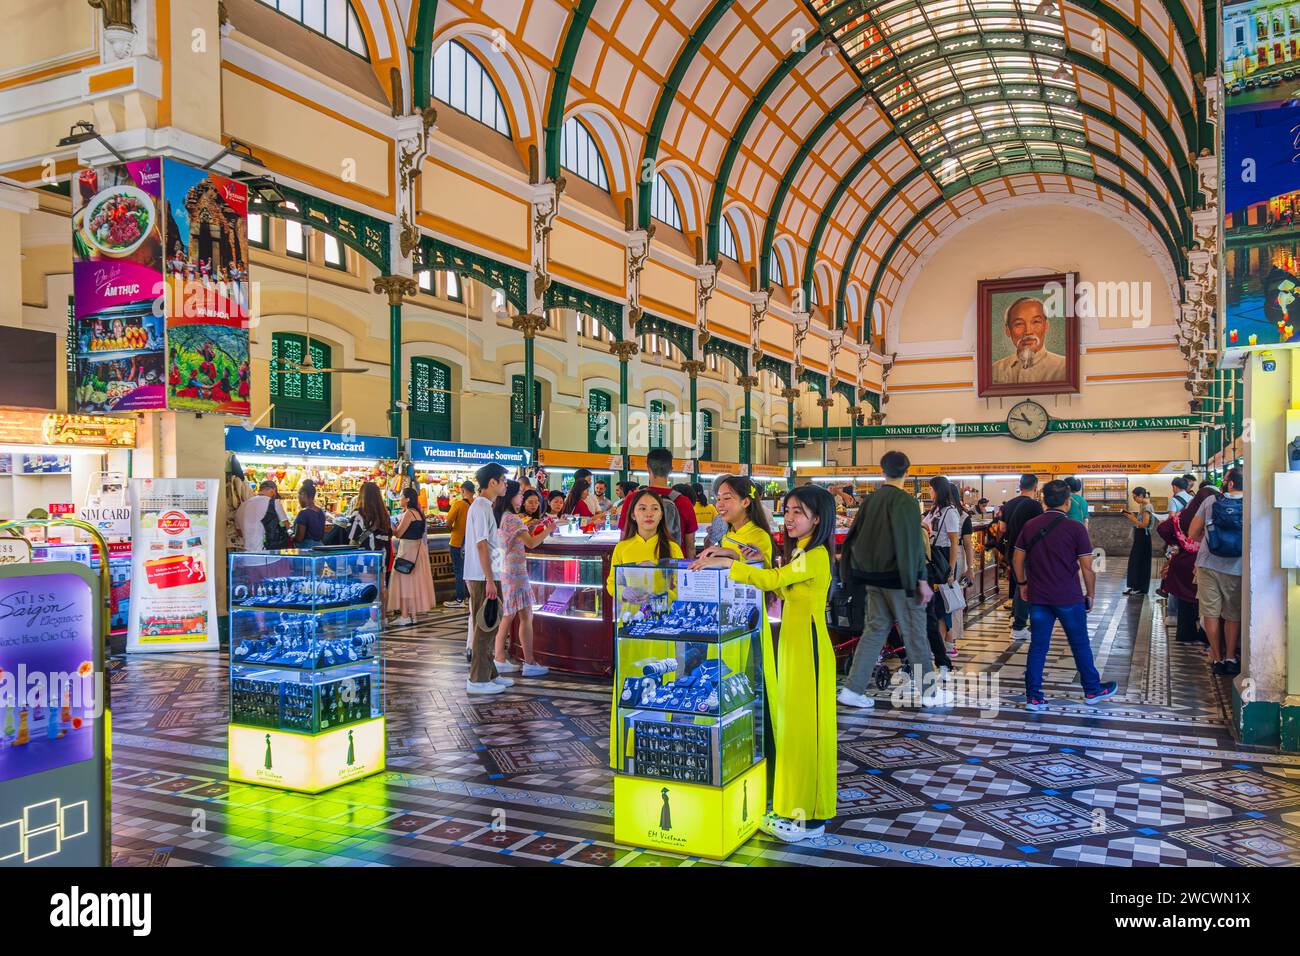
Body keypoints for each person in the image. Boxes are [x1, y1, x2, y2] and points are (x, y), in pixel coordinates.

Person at [691, 485, 838, 842]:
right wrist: (760, 560)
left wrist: (731, 563)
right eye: (787, 510)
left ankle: (811, 821)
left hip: (809, 648)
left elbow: (773, 582)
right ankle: (792, 808)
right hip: (793, 643)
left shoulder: (815, 554)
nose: (789, 518)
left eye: (798, 512)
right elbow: (785, 586)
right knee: (791, 730)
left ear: (817, 519)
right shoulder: (802, 552)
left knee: (806, 734)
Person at [838, 451, 946, 709]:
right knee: (916, 635)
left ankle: (853, 689)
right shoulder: (905, 502)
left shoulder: (871, 499)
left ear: (882, 470)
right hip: (901, 580)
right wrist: (920, 580)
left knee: (874, 632)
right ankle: (930, 693)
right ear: (907, 471)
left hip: (873, 580)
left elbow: (853, 535)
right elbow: (910, 544)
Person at [1011, 479, 1118, 710]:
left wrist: (1022, 584)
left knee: (1038, 646)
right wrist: (1091, 594)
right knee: (1080, 644)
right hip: (1069, 597)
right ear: (1068, 502)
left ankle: (1034, 697)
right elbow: (1087, 567)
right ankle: (1092, 690)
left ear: (1043, 500)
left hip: (1039, 597)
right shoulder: (1076, 528)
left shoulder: (1030, 526)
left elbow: (1017, 559)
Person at [605, 489, 685, 769]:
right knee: (630, 684)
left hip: (663, 628)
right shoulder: (623, 547)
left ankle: (657, 749)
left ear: (662, 515)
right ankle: (625, 751)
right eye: (642, 509)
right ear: (633, 514)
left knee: (662, 683)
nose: (649, 514)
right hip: (631, 627)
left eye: (654, 508)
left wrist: (657, 583)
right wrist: (625, 593)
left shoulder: (672, 549)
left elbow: (679, 591)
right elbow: (612, 584)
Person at [492, 480, 556, 678]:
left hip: (506, 570)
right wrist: (549, 529)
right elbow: (532, 543)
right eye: (520, 494)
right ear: (511, 496)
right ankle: (529, 662)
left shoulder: (502, 516)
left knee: (509, 616)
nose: (522, 498)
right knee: (526, 616)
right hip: (516, 573)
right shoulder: (512, 519)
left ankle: (500, 658)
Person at [1188, 468, 1245, 675]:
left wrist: (1208, 540)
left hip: (1208, 564)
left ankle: (1217, 658)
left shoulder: (1211, 502)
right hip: (1237, 567)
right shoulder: (1251, 504)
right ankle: (1231, 656)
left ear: (1230, 484)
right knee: (1233, 614)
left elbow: (1192, 532)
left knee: (1210, 613)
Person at [464, 462, 508, 695]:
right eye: (503, 481)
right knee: (485, 626)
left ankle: (489, 673)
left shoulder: (484, 506)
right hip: (483, 576)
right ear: (492, 482)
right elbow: (482, 545)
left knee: (491, 623)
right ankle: (477, 680)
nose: (505, 485)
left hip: (488, 574)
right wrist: (490, 579)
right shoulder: (481, 507)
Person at [1158, 483, 1219, 644]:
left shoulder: (1182, 516)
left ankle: (1185, 634)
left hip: (1183, 562)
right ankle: (1207, 638)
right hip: (1206, 562)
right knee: (1208, 604)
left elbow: (1163, 529)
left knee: (1185, 600)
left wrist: (1175, 543)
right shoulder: (1216, 515)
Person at [616, 447, 698, 558]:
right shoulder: (684, 502)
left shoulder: (633, 499)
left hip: (636, 565)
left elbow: (624, 537)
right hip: (674, 566)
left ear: (648, 469)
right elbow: (690, 546)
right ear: (671, 470)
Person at [694, 475, 773, 567]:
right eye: (718, 499)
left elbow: (763, 577)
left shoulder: (759, 536)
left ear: (745, 502)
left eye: (727, 498)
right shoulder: (728, 535)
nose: (719, 505)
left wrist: (734, 555)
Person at [1001, 474, 1045, 641]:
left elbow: (1002, 528)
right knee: (1025, 588)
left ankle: (1016, 619)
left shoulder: (1009, 504)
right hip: (1028, 552)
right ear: (1035, 487)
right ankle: (1019, 625)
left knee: (1019, 586)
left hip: (1012, 550)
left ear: (1020, 485)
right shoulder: (1035, 506)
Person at [990, 296, 1068, 384]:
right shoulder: (995, 370)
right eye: (1019, 324)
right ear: (1008, 330)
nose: (1028, 332)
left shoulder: (1064, 367)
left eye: (1035, 322)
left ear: (1046, 326)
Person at [388, 487, 435, 625]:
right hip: (417, 552)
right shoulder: (419, 513)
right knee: (413, 584)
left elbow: (398, 533)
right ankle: (413, 615)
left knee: (403, 582)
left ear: (408, 499)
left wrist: (391, 524)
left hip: (407, 551)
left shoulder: (409, 513)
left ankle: (404, 616)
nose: (400, 499)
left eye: (401, 496)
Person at [443, 480, 475, 609]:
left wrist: (451, 529)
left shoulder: (458, 504)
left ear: (463, 491)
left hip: (457, 542)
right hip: (471, 543)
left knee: (459, 571)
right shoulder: (476, 504)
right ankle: (468, 597)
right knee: (469, 571)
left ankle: (459, 598)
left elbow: (448, 523)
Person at [234, 479, 288, 553]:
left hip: (245, 555)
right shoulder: (274, 503)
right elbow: (286, 525)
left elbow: (239, 532)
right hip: (268, 555)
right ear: (273, 491)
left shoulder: (242, 506)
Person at [1122, 486, 1156, 595]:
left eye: (1135, 497)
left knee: (1140, 562)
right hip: (1140, 536)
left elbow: (1144, 524)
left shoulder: (1147, 507)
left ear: (1141, 495)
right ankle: (1134, 586)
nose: (1134, 499)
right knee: (1135, 561)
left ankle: (1139, 587)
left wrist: (1133, 519)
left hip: (1143, 537)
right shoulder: (1143, 506)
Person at [292, 481, 326, 549]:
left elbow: (299, 538)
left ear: (303, 495)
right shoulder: (320, 511)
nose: (298, 499)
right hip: (320, 547)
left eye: (298, 496)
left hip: (306, 550)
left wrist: (291, 536)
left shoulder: (303, 513)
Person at [702, 473, 733, 548]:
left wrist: (710, 534)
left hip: (727, 558)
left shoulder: (722, 518)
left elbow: (708, 545)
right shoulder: (748, 513)